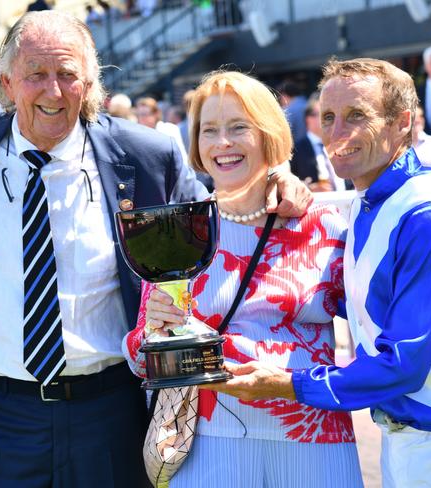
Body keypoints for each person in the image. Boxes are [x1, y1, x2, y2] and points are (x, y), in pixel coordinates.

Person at [0, 11, 312, 487]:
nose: (53, 89)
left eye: (67, 74)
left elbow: (213, 223)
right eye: (35, 73)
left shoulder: (147, 156)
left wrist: (277, 180)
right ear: (7, 83)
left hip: (108, 415)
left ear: (90, 84)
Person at [210, 58, 431, 487]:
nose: (338, 133)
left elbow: (402, 366)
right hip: (407, 442)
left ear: (403, 123)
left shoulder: (426, 215)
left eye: (357, 116)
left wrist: (288, 384)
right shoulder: (369, 201)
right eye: (329, 117)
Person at [124, 70, 363, 488]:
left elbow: (370, 328)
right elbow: (141, 356)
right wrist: (154, 332)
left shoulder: (324, 225)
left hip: (314, 434)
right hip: (208, 441)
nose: (223, 143)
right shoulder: (178, 228)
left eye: (239, 128)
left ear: (268, 134)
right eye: (209, 130)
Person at [290, 94, 346, 192]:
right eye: (321, 115)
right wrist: (309, 188)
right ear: (308, 118)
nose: (326, 120)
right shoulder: (296, 149)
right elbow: (288, 182)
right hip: (316, 204)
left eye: (329, 116)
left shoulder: (341, 145)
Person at [135, 96, 188, 162]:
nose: (141, 118)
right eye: (138, 115)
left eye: (144, 114)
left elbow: (181, 156)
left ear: (156, 114)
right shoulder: (137, 134)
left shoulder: (169, 129)